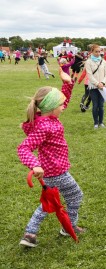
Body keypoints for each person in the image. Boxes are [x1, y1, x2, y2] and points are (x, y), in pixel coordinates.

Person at [17, 86, 84, 248]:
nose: (64, 106)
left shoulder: (45, 117)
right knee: (75, 196)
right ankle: (69, 227)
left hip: (53, 170)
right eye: (60, 105)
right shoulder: (44, 126)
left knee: (49, 202)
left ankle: (30, 233)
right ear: (52, 107)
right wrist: (35, 164)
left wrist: (67, 85)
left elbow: (63, 102)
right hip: (56, 171)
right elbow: (23, 148)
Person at [85, 44, 106, 129]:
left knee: (101, 106)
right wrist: (97, 84)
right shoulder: (88, 62)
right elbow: (89, 75)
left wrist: (102, 83)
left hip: (102, 86)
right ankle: (96, 123)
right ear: (92, 52)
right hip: (93, 87)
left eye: (99, 51)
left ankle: (101, 122)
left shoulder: (103, 61)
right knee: (95, 105)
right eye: (96, 51)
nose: (98, 53)